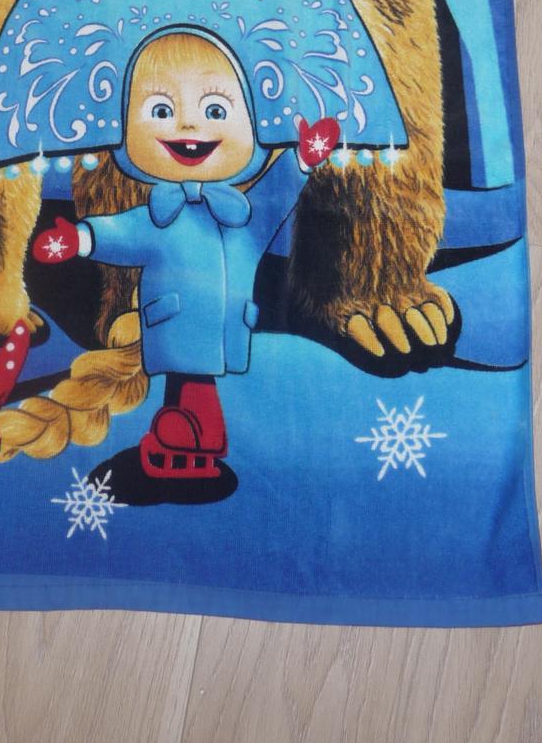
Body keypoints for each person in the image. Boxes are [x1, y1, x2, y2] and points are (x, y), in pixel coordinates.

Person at [32, 28, 339, 480]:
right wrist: (80, 239)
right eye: (161, 111)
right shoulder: (159, 217)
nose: (189, 127)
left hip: (224, 322)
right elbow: (122, 232)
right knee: (188, 380)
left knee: (195, 384)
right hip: (174, 323)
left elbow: (280, 190)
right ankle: (195, 437)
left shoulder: (243, 217)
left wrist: (302, 160)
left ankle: (198, 438)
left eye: (215, 110)